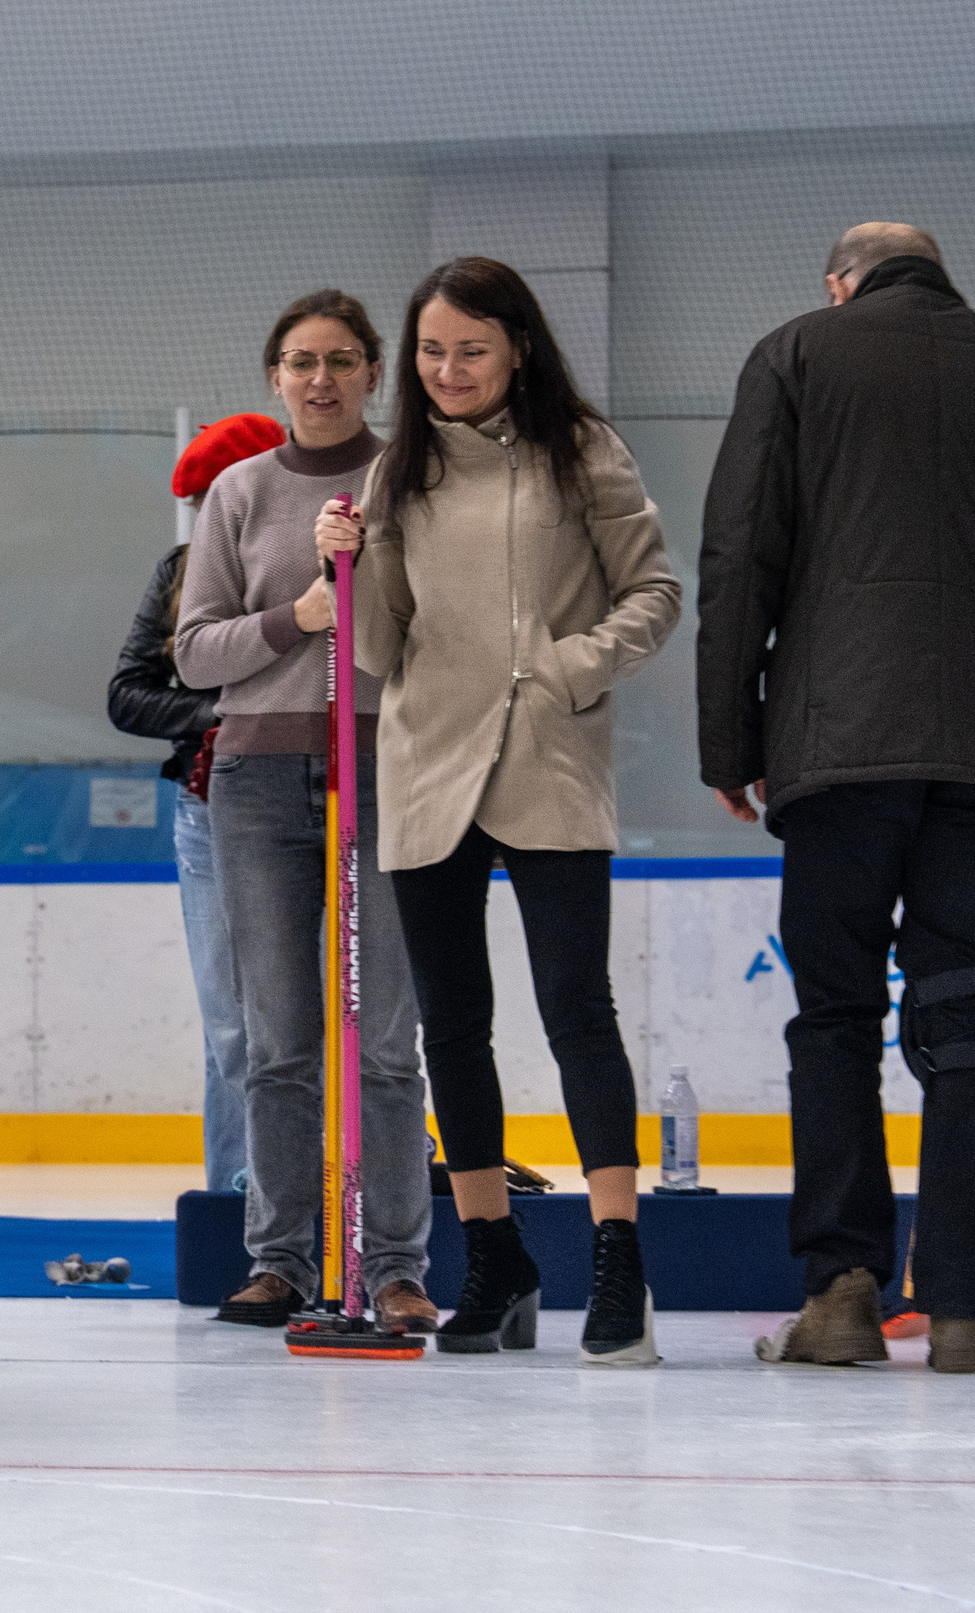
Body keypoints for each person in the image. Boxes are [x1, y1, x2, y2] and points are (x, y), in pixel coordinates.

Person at [697, 223, 975, 1375]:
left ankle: (841, 1296)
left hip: (837, 749)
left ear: (837, 284)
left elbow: (740, 553)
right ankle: (965, 1313)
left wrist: (728, 740)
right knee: (962, 1014)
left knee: (835, 1017)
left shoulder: (796, 354)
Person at [336, 256, 681, 1366]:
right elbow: (379, 648)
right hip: (426, 764)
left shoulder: (582, 450)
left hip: (546, 756)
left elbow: (655, 591)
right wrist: (353, 558)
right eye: (433, 351)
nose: (450, 370)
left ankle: (617, 1257)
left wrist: (572, 666)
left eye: (472, 349)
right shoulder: (397, 470)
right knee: (451, 1026)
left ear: (519, 348)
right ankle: (494, 1254)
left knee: (578, 1009)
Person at [173, 293, 437, 1335]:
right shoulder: (238, 492)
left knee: (384, 1038)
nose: (319, 379)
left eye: (339, 360)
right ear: (274, 377)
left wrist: (369, 580)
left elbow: (442, 627)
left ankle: (395, 1266)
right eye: (299, 362)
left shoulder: (413, 478)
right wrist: (299, 615)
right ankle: (278, 1257)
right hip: (260, 780)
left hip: (385, 770)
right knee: (278, 1038)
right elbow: (194, 652)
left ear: (373, 370)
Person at [109, 414, 284, 1193]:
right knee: (232, 1025)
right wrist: (223, 711)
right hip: (206, 808)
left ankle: (322, 1191)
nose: (212, 516)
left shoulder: (316, 569)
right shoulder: (179, 572)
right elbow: (127, 693)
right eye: (203, 502)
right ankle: (235, 1202)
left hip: (311, 807)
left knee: (317, 1018)